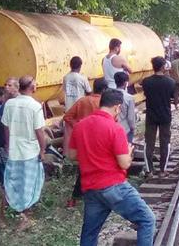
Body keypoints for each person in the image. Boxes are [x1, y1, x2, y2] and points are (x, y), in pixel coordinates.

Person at [69, 89, 155, 245]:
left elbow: (72, 155)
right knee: (147, 220)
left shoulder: (80, 126)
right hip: (113, 187)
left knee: (89, 233)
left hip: (90, 188)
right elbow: (124, 163)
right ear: (117, 107)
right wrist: (129, 153)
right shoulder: (115, 128)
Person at [1, 76, 47, 231]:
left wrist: (8, 145)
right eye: (35, 83)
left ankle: (2, 218)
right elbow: (39, 131)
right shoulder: (35, 106)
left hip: (14, 151)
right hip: (29, 152)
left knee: (10, 182)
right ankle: (24, 218)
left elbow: (6, 128)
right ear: (31, 87)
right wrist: (43, 149)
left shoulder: (9, 104)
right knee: (28, 185)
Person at [63, 78, 106, 208]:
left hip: (84, 140)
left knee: (84, 168)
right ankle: (96, 196)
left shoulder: (83, 101)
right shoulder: (104, 104)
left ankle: (75, 198)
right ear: (104, 90)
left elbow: (67, 117)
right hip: (100, 141)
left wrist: (78, 126)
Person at [0, 77, 18, 227]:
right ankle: (4, 216)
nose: (6, 87)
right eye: (5, 84)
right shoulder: (5, 105)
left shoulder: (11, 105)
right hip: (4, 149)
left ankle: (7, 214)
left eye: (10, 85)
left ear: (17, 88)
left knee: (9, 182)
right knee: (6, 182)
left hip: (11, 149)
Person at [141, 57, 175, 175]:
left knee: (149, 142)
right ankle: (162, 169)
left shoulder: (146, 81)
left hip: (151, 115)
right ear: (163, 67)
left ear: (153, 66)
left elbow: (146, 94)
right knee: (165, 142)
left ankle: (149, 170)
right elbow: (172, 97)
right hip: (165, 115)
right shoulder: (170, 82)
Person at [114, 72, 136, 144]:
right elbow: (130, 117)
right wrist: (132, 127)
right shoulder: (129, 97)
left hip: (112, 126)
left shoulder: (109, 94)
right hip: (124, 128)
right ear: (125, 83)